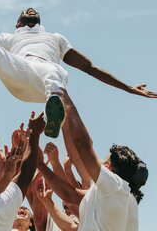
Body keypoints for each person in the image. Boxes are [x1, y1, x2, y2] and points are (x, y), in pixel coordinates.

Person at [0, 8, 157, 137]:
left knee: (55, 70)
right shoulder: (8, 38)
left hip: (44, 78)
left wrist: (128, 87)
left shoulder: (56, 38)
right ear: (18, 25)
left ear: (40, 23)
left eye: (34, 17)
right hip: (18, 69)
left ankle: (53, 116)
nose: (30, 16)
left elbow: (89, 68)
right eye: (25, 18)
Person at [54, 88, 148, 231]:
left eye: (103, 160)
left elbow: (83, 147)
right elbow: (78, 158)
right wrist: (64, 120)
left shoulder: (114, 188)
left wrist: (68, 103)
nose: (98, 162)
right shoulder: (114, 193)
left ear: (109, 167)